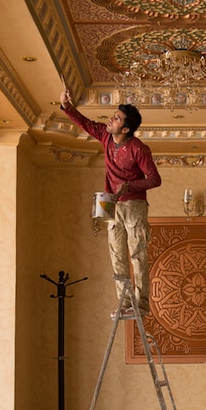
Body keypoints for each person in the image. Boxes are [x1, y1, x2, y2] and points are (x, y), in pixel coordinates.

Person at [60, 88, 162, 320]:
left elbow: (155, 179)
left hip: (134, 205)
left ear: (125, 129)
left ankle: (141, 306)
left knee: (137, 255)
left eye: (116, 118)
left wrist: (130, 185)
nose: (111, 119)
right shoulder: (106, 137)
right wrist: (67, 106)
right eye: (113, 115)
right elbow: (84, 123)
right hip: (110, 203)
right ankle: (125, 304)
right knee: (116, 255)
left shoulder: (138, 149)